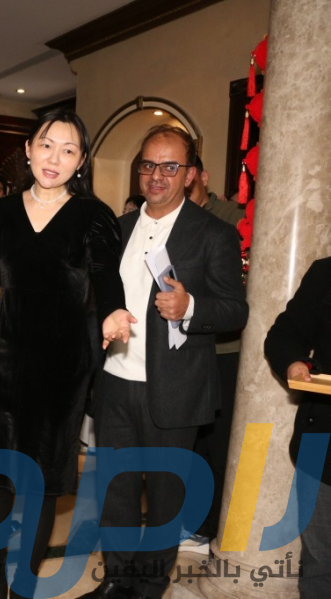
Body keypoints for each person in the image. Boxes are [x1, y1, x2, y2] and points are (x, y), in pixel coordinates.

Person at [0, 109, 134, 599]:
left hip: (63, 367)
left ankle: (24, 586)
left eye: (68, 150)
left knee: (41, 480)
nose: (54, 158)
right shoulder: (0, 212)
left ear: (81, 161)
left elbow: (106, 274)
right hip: (3, 360)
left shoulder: (93, 215)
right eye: (46, 145)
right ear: (27, 150)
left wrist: (114, 310)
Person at [82, 125, 249, 599]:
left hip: (175, 387)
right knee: (114, 489)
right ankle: (116, 580)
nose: (157, 175)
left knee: (164, 495)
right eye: (149, 165)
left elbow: (235, 311)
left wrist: (190, 306)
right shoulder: (117, 229)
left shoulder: (214, 233)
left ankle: (150, 587)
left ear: (190, 174)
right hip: (114, 381)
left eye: (170, 166)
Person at [182, 155, 245, 553]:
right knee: (192, 442)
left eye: (187, 173)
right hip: (185, 347)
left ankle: (219, 527)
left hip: (225, 348)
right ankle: (197, 521)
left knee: (220, 441)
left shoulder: (233, 218)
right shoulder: (174, 218)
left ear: (202, 176)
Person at [264, 257, 331, 598]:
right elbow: (285, 334)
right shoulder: (326, 273)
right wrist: (294, 363)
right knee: (321, 563)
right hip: (324, 441)